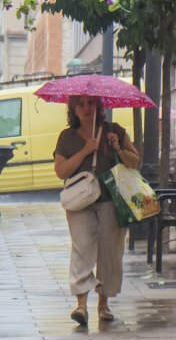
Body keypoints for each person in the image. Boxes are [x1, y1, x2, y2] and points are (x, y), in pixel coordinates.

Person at [53, 94, 141, 326]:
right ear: (73, 108)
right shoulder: (67, 137)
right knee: (82, 249)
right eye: (80, 104)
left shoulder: (114, 130)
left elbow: (134, 161)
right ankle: (81, 305)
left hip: (111, 200)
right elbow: (61, 171)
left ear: (99, 105)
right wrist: (84, 151)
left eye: (90, 103)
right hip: (79, 202)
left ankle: (103, 304)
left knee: (109, 252)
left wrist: (118, 147)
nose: (86, 108)